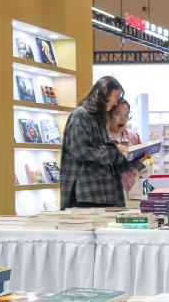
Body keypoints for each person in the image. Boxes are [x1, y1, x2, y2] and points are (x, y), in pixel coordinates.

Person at [60, 76, 143, 208]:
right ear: (104, 93)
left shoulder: (98, 118)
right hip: (87, 195)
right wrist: (114, 150)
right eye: (116, 96)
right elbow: (80, 150)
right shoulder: (81, 115)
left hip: (105, 194)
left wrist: (137, 159)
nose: (116, 102)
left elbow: (109, 162)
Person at [107, 99, 143, 194]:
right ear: (108, 115)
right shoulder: (100, 138)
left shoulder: (134, 137)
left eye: (126, 115)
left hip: (134, 191)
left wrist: (144, 161)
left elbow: (143, 171)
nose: (123, 119)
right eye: (118, 114)